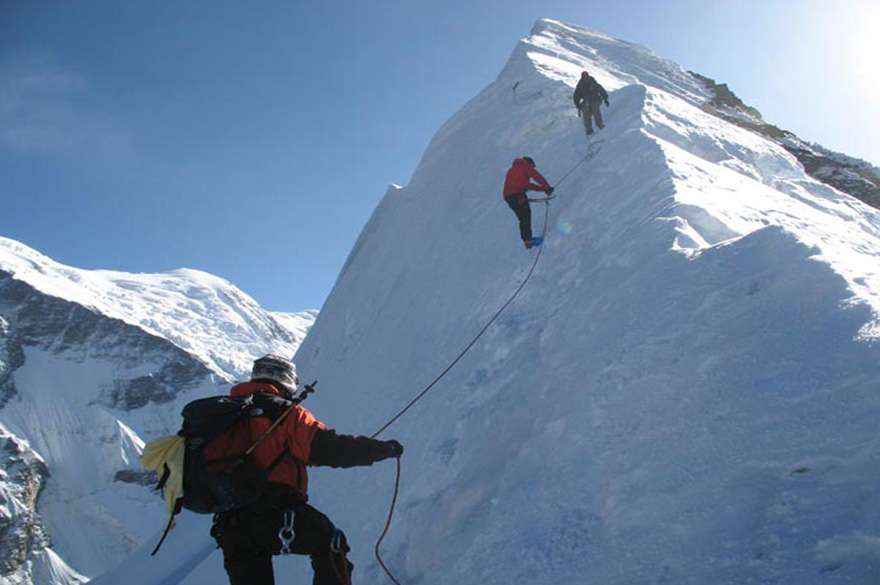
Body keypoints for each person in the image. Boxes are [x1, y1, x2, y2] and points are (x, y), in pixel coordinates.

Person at [208, 354, 403, 585]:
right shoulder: (286, 413)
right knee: (330, 542)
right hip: (276, 511)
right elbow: (329, 449)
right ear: (286, 379)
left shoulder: (221, 415)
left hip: (230, 524)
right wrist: (382, 449)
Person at [503, 156, 553, 249]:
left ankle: (527, 240)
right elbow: (537, 177)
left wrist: (543, 189)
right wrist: (547, 187)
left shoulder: (512, 169)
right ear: (529, 163)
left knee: (523, 217)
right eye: (532, 167)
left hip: (508, 196)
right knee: (525, 216)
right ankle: (528, 241)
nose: (532, 169)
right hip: (517, 195)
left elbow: (527, 185)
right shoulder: (525, 166)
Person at [573, 70, 609, 136]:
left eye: (586, 76)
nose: (585, 78)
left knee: (595, 109)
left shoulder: (593, 83)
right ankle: (589, 129)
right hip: (586, 100)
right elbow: (576, 95)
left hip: (595, 99)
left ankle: (600, 125)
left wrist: (605, 99)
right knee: (585, 112)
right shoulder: (580, 85)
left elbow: (601, 90)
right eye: (584, 77)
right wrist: (577, 104)